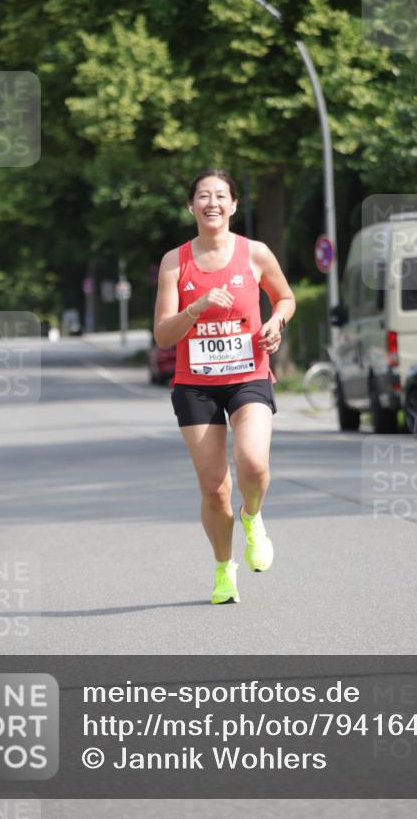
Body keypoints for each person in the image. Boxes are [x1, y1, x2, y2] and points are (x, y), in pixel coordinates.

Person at [154, 169, 296, 604]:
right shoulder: (175, 262)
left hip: (248, 375)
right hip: (195, 386)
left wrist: (276, 321)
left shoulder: (255, 254)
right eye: (202, 196)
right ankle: (223, 569)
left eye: (220, 196)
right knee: (215, 488)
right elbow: (163, 335)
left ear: (234, 205)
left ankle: (252, 517)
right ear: (191, 206)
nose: (211, 203)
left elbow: (286, 297)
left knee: (252, 463)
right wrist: (195, 306)